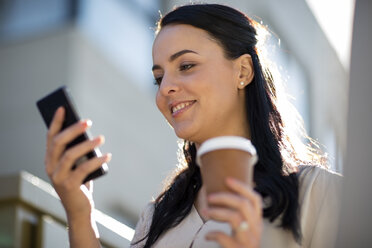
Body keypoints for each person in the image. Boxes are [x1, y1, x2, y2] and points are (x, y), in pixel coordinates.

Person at [44, 3, 342, 248]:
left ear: (243, 70)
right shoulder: (156, 217)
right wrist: (80, 212)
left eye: (185, 66)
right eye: (159, 78)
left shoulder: (318, 193)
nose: (165, 90)